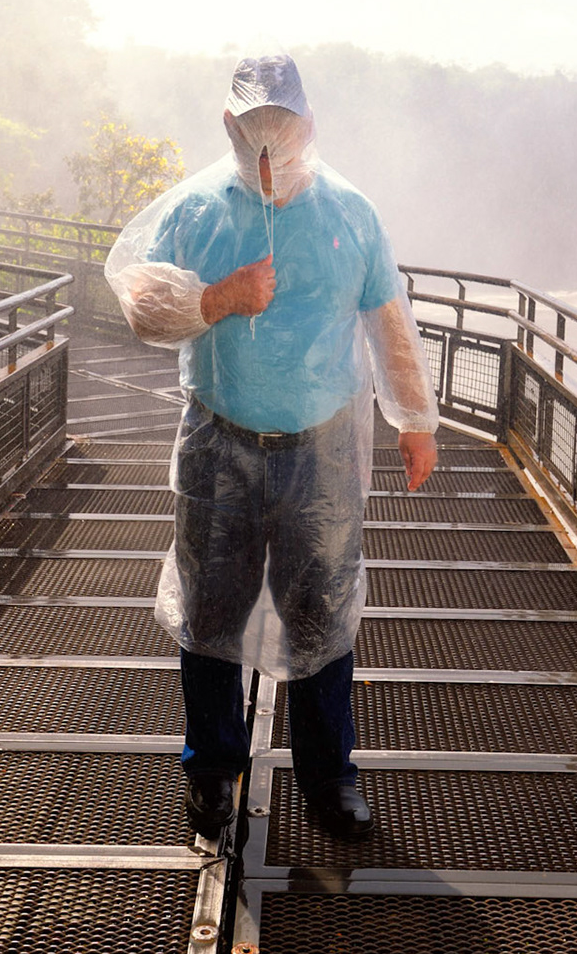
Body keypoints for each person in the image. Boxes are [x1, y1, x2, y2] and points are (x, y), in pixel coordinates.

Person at [105, 54, 439, 842]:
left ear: (309, 128)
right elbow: (139, 305)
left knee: (320, 606)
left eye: (280, 135)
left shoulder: (349, 213)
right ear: (227, 128)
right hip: (218, 441)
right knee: (211, 610)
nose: (267, 152)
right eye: (252, 133)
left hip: (318, 451)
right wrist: (218, 298)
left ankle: (330, 778)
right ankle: (212, 775)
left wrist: (414, 420)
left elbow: (387, 318)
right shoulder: (195, 211)